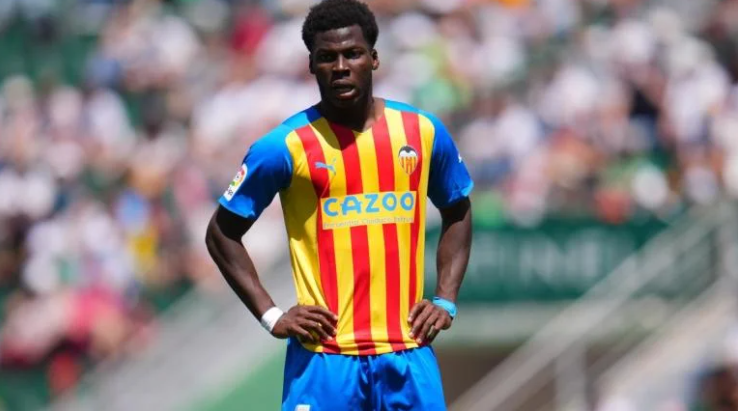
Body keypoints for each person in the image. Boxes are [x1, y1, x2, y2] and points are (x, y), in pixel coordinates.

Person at [205, 0, 473, 409]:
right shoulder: (284, 146)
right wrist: (272, 315)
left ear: (374, 58)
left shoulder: (422, 132)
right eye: (327, 57)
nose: (341, 67)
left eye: (353, 53)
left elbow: (457, 209)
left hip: (408, 352)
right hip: (324, 359)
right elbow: (221, 233)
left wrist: (445, 299)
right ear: (311, 66)